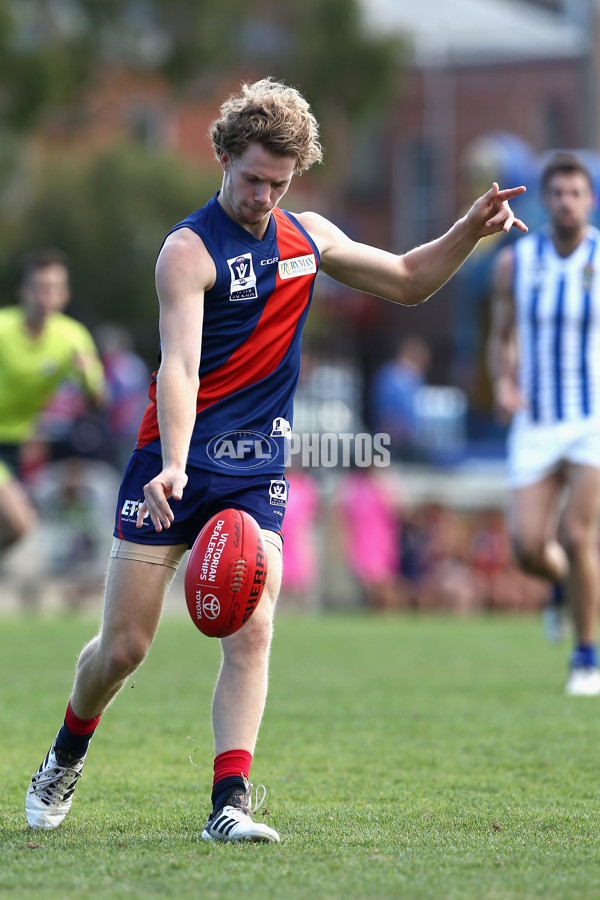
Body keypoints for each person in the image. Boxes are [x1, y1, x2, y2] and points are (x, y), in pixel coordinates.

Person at [25, 77, 527, 841]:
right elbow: (180, 368)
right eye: (252, 178)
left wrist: (469, 227)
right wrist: (175, 463)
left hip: (257, 468)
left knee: (254, 625)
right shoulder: (187, 251)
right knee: (123, 648)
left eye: (279, 183)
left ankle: (229, 802)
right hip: (171, 464)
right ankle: (67, 749)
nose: (264, 196)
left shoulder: (309, 238)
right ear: (223, 156)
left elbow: (410, 281)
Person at [488, 151, 600, 696]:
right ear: (545, 197)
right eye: (557, 193)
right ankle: (561, 589)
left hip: (590, 419)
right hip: (535, 420)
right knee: (529, 548)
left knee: (576, 535)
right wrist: (504, 381)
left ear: (590, 200)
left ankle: (585, 658)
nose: (566, 202)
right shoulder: (516, 262)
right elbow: (501, 335)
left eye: (576, 193)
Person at [0, 249, 105, 556]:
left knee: (14, 529)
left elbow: (100, 402)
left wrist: (89, 379)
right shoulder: (3, 329)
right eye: (38, 287)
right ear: (24, 291)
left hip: (16, 446)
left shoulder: (72, 337)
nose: (45, 296)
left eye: (54, 288)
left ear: (65, 294)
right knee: (20, 522)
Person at [370, 335, 431, 460]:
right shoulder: (389, 377)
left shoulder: (417, 379)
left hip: (412, 441)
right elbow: (385, 415)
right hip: (393, 444)